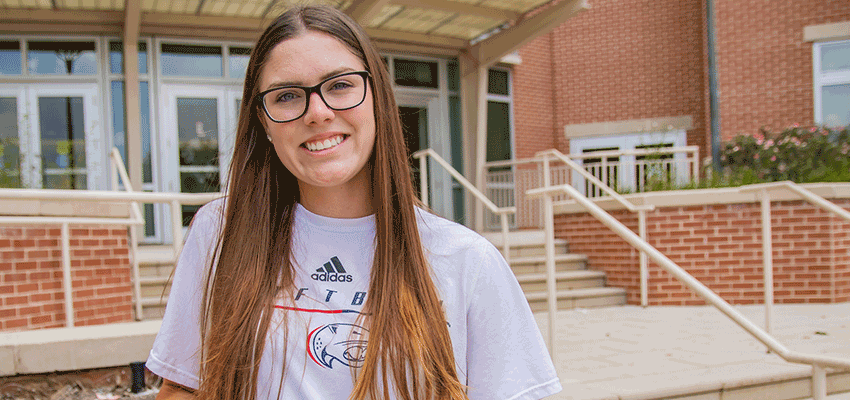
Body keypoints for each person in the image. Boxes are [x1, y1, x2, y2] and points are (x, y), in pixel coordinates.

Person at [146, 5, 561, 400]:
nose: (318, 112)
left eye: (340, 85)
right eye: (287, 96)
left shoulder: (466, 260)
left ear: (377, 96)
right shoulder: (219, 231)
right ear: (263, 119)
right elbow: (186, 386)